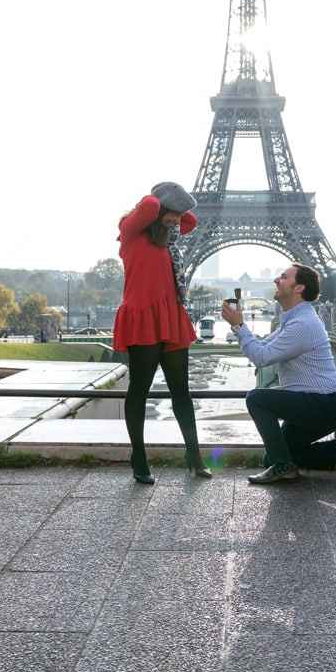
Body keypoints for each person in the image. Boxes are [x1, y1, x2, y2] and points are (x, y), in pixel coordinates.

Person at [222, 263, 336, 485]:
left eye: (284, 277)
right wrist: (240, 327)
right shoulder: (294, 320)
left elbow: (261, 357)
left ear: (299, 288)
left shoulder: (303, 324)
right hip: (321, 402)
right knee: (273, 456)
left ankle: (284, 468)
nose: (277, 280)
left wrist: (239, 327)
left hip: (323, 402)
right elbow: (261, 348)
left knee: (257, 399)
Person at [113, 181, 211, 484]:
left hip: (171, 317)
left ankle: (193, 455)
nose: (177, 222)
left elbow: (190, 220)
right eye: (171, 215)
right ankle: (138, 456)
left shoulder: (169, 238)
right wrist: (160, 198)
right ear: (158, 210)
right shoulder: (130, 233)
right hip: (143, 317)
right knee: (139, 390)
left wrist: (174, 213)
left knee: (181, 390)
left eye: (177, 217)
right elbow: (149, 207)